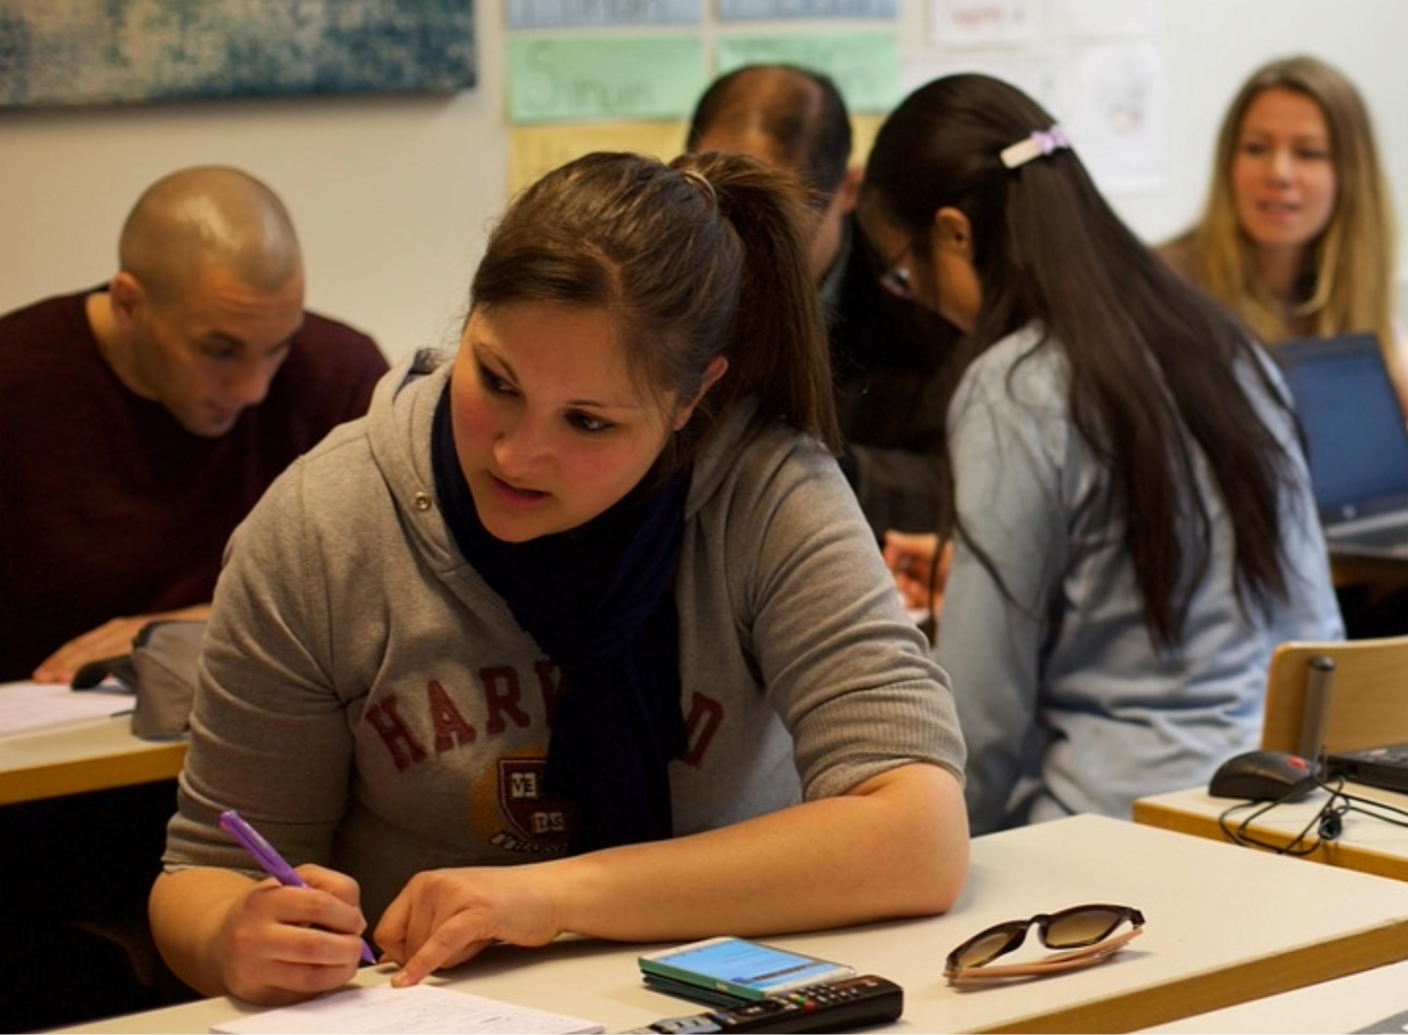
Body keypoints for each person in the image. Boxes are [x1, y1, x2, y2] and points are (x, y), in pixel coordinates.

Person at [149, 151, 970, 1006]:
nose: (516, 453)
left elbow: (918, 831)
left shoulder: (767, 493)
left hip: (721, 1000)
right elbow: (203, 874)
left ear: (693, 400)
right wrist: (228, 934)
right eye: (496, 381)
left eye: (588, 421)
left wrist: (556, 896)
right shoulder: (325, 522)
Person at [859, 74, 1343, 834]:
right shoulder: (1222, 341)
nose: (918, 297)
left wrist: (931, 848)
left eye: (903, 272)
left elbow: (979, 724)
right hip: (1285, 809)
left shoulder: (1012, 385)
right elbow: (1315, 628)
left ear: (955, 233)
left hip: (1111, 835)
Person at [0, 165, 388, 683]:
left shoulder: (340, 374)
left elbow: (399, 583)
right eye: (219, 350)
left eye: (279, 347)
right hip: (53, 749)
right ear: (128, 305)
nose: (254, 388)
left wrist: (225, 625)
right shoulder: (16, 385)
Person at [685, 63, 966, 540]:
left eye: (781, 230)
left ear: (850, 189)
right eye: (718, 206)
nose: (740, 252)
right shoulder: (655, 275)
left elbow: (958, 489)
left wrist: (825, 472)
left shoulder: (924, 307)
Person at [1163, 55, 1408, 458]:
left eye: (1309, 153)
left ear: (1352, 175)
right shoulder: (1163, 285)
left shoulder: (1354, 292)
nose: (1279, 173)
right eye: (1256, 148)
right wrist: (1366, 449)